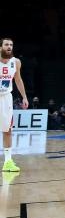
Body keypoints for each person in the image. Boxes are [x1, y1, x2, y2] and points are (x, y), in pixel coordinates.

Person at [1, 38, 28, 172]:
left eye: (11, 45)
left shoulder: (16, 62)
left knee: (7, 130)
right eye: (6, 44)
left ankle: (7, 162)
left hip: (6, 98)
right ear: (1, 47)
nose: (9, 47)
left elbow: (18, 80)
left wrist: (24, 97)